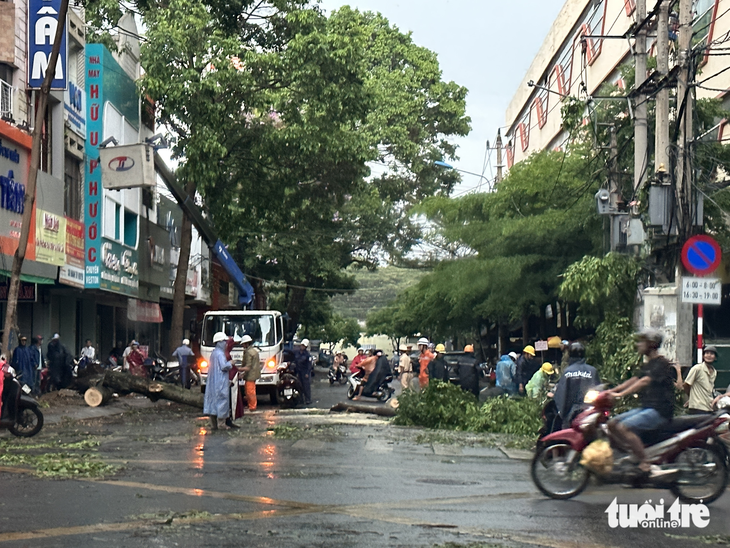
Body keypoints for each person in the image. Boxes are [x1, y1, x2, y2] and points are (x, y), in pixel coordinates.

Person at [607, 328, 681, 474]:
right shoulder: (648, 364)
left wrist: (620, 395)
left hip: (659, 411)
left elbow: (644, 382)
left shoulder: (661, 363)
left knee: (623, 427)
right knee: (611, 424)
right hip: (647, 408)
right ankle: (634, 451)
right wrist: (612, 391)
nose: (638, 345)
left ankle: (644, 461)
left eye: (642, 341)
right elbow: (635, 379)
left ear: (651, 344)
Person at [552, 342, 600, 428]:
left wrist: (563, 415)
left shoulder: (568, 372)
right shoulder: (593, 371)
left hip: (571, 416)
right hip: (591, 413)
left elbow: (561, 396)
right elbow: (599, 391)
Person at [203, 332, 233, 430]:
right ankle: (221, 424)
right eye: (224, 341)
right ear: (220, 342)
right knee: (222, 400)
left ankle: (213, 424)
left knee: (213, 402)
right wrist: (230, 363)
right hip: (221, 381)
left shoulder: (213, 353)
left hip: (213, 381)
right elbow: (224, 366)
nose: (225, 344)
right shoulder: (220, 354)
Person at [681, 345, 717, 414]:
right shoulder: (697, 368)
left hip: (709, 407)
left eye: (711, 354)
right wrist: (691, 397)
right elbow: (686, 384)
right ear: (703, 356)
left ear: (715, 357)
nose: (709, 355)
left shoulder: (714, 372)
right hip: (697, 407)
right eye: (707, 353)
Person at [240, 334, 260, 412]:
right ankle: (250, 405)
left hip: (250, 375)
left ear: (246, 343)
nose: (242, 346)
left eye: (243, 344)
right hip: (252, 374)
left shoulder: (248, 352)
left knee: (250, 392)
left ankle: (252, 406)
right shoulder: (254, 351)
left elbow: (248, 367)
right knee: (249, 391)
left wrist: (238, 369)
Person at [294, 339, 312, 405]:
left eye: (304, 345)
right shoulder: (297, 353)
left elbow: (309, 365)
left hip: (305, 372)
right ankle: (301, 400)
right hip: (299, 371)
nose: (302, 346)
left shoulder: (307, 355)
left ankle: (308, 399)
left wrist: (307, 373)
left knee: (306, 386)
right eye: (302, 345)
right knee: (299, 386)